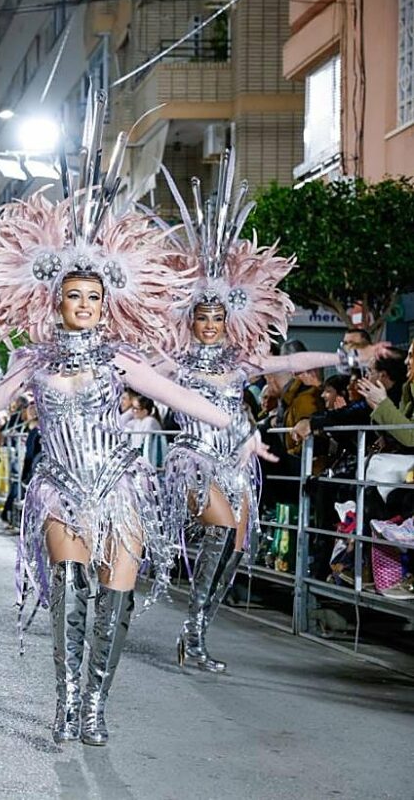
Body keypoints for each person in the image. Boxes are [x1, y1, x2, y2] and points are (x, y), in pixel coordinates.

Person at [0, 90, 236, 746]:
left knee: (114, 601)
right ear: (58, 301)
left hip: (120, 491)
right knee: (72, 593)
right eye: (75, 296)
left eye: (95, 296)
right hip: (61, 490)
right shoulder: (33, 359)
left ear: (106, 301)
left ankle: (96, 704)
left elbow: (181, 398)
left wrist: (235, 424)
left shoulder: (122, 358)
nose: (86, 305)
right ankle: (67, 704)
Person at [157, 150, 393, 674]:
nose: (212, 324)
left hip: (237, 463)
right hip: (193, 461)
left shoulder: (242, 361)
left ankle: (195, 632)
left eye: (219, 315)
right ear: (191, 319)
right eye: (204, 315)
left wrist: (348, 356)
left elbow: (290, 359)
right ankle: (192, 633)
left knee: (240, 548)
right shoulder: (173, 361)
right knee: (219, 532)